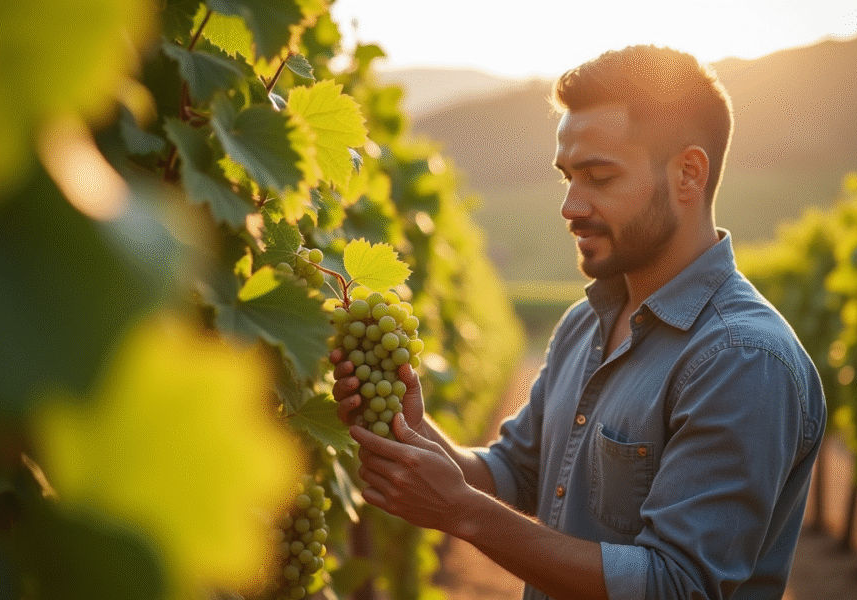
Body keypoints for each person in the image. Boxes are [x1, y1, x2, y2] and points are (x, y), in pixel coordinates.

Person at [331, 44, 826, 600]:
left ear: (689, 175)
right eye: (568, 177)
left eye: (598, 177)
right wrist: (414, 431)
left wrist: (462, 514)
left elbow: (676, 586)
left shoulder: (742, 359)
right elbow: (517, 473)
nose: (570, 205)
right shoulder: (584, 325)